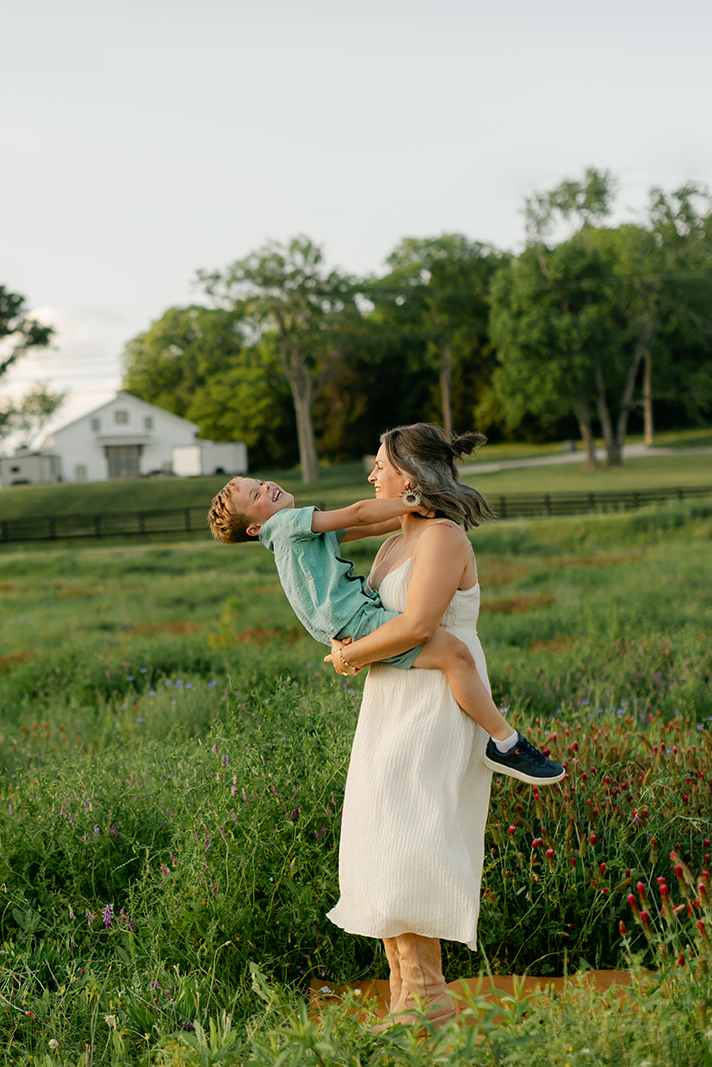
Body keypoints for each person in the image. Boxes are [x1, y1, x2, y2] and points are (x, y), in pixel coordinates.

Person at [324, 423, 532, 1029]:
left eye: (380, 464)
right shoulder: (399, 538)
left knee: (410, 844)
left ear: (411, 477)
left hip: (435, 705)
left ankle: (428, 1008)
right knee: (381, 842)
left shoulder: (442, 538)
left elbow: (418, 626)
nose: (372, 475)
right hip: (392, 701)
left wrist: (349, 656)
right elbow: (353, 534)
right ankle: (410, 1004)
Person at [206, 475, 563, 786]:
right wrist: (413, 500)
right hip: (358, 621)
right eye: (255, 496)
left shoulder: (296, 537)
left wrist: (420, 511)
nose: (266, 487)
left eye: (260, 482)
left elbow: (373, 525)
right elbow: (360, 513)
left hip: (346, 625)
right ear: (254, 529)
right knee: (455, 655)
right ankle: (505, 743)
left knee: (449, 656)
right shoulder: (287, 526)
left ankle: (501, 741)